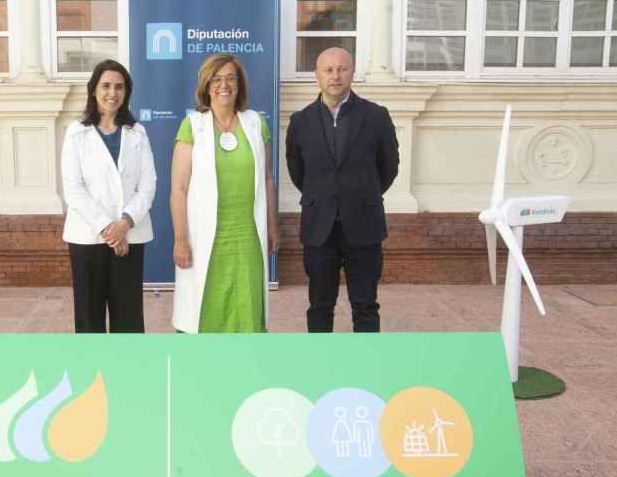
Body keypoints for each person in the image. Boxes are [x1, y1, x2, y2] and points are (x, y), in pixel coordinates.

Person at [285, 47, 399, 333]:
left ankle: (366, 369)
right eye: (328, 70)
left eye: (342, 69)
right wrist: (325, 196)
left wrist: (359, 194)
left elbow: (388, 168)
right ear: (317, 75)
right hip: (319, 229)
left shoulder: (376, 116)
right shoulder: (300, 121)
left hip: (364, 225)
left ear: (352, 72)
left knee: (366, 305)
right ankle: (320, 369)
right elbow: (298, 171)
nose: (335, 76)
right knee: (320, 305)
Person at [171, 54, 278, 333]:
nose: (224, 85)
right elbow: (179, 190)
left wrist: (273, 227)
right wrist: (181, 239)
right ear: (206, 86)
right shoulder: (193, 126)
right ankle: (203, 372)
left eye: (231, 78)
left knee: (248, 308)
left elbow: (268, 179)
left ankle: (247, 370)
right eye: (216, 79)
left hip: (248, 236)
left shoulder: (256, 123)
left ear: (240, 84)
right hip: (205, 235)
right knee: (206, 308)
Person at [61, 59, 157, 333]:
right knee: (89, 318)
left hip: (131, 236)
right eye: (105, 86)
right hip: (88, 239)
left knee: (128, 317)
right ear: (93, 90)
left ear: (126, 92)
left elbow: (148, 185)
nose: (112, 93)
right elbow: (73, 189)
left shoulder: (137, 132)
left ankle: (127, 374)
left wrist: (124, 224)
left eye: (119, 87)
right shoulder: (76, 133)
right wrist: (108, 229)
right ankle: (92, 373)